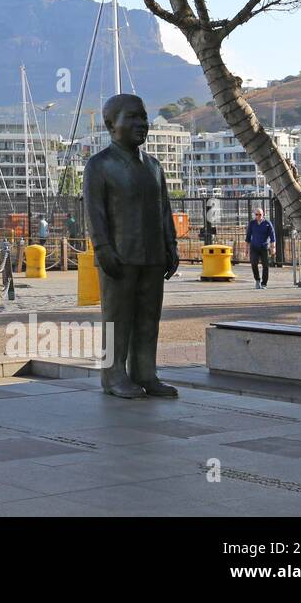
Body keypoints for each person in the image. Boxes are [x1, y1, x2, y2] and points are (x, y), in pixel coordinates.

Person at [83, 94, 181, 399]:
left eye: (143, 117)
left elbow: (164, 210)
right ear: (112, 125)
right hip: (119, 257)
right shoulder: (99, 165)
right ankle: (113, 375)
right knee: (117, 318)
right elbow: (94, 213)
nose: (141, 124)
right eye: (133, 118)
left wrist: (171, 246)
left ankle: (145, 372)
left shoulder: (153, 166)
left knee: (149, 317)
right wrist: (102, 249)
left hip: (152, 256)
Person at [245, 207, 276, 289]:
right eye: (256, 214)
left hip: (264, 247)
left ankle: (264, 283)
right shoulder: (252, 223)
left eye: (260, 214)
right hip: (254, 247)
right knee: (254, 264)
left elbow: (272, 237)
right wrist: (246, 249)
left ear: (263, 214)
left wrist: (273, 247)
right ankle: (257, 280)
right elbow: (248, 237)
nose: (258, 216)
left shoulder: (267, 223)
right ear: (254, 215)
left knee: (265, 266)